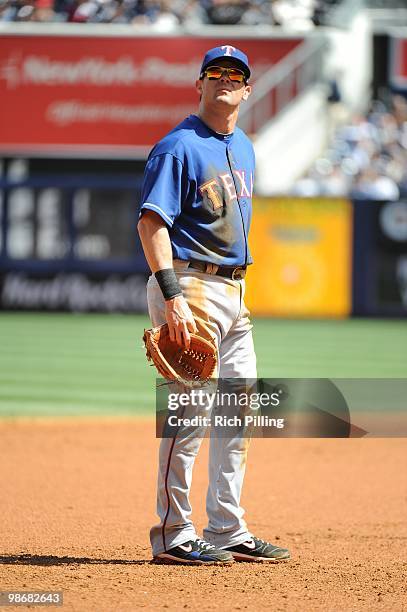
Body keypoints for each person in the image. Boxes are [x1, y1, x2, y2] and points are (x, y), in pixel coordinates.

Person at [137, 44, 290, 565]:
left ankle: (226, 527)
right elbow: (151, 223)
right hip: (189, 283)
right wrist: (172, 297)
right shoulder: (177, 146)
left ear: (247, 89)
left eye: (235, 75)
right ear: (198, 85)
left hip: (234, 289)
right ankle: (173, 533)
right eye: (215, 73)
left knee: (237, 411)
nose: (225, 80)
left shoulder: (244, 145)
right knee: (190, 414)